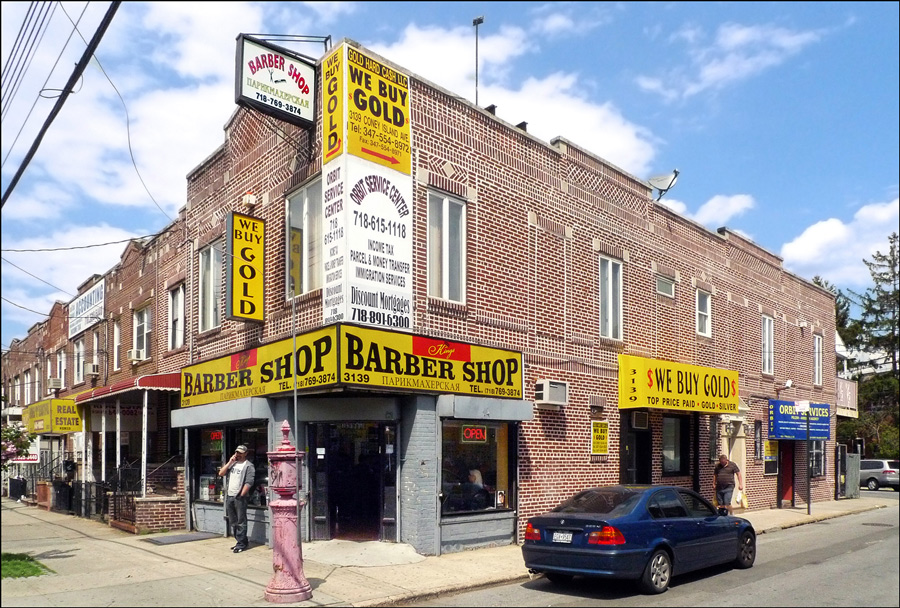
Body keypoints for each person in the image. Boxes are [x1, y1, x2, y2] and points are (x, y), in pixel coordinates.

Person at [219, 444, 255, 553]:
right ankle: (241, 541)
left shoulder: (249, 466)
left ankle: (241, 544)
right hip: (229, 495)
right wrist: (230, 462)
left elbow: (249, 482)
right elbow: (221, 473)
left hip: (239, 497)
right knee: (233, 520)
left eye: (240, 453)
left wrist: (241, 494)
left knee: (241, 521)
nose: (238, 455)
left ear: (246, 454)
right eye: (237, 452)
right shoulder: (233, 464)